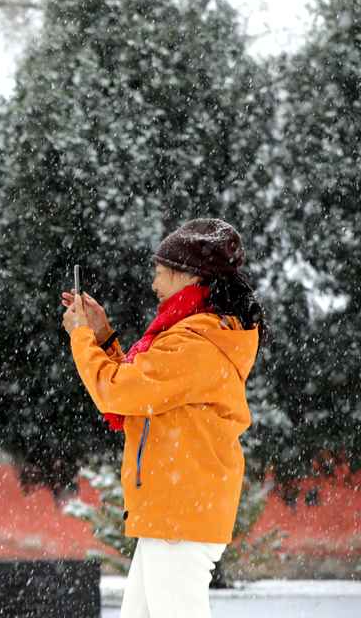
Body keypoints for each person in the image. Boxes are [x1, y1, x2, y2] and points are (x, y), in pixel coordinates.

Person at [61, 218, 263, 618]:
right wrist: (103, 338)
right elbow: (140, 394)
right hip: (173, 512)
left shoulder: (195, 344)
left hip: (180, 515)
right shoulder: (191, 337)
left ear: (187, 275)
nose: (154, 284)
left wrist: (81, 337)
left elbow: (117, 391)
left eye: (159, 271)